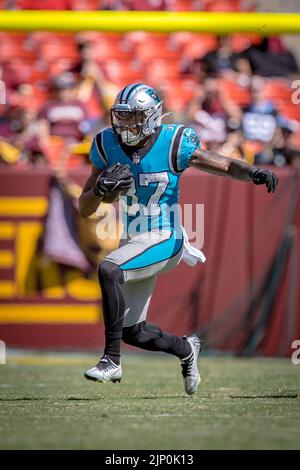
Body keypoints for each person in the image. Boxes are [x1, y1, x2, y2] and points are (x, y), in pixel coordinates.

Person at [79, 83, 278, 395]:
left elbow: (222, 164)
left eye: (134, 117)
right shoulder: (106, 143)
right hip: (134, 240)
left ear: (152, 116)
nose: (125, 124)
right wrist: (101, 190)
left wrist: (252, 171)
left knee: (110, 269)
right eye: (122, 117)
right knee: (133, 331)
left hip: (165, 235)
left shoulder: (173, 141)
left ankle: (111, 361)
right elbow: (85, 206)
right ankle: (186, 348)